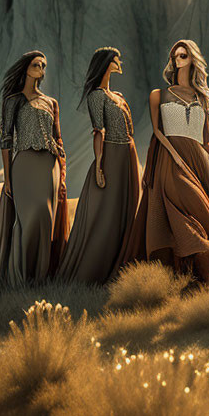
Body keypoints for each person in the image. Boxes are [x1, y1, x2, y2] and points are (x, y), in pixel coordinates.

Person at [119, 39, 209, 283]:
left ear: (192, 58)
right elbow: (158, 132)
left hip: (199, 162)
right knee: (199, 210)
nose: (177, 60)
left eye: (182, 55)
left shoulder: (202, 97)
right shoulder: (159, 95)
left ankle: (201, 272)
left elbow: (206, 141)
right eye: (174, 57)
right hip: (170, 160)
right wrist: (175, 157)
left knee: (200, 215)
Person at [0, 51, 68, 292]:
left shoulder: (51, 102)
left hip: (49, 166)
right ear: (26, 69)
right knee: (29, 220)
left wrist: (63, 173)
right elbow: (6, 140)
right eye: (35, 64)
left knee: (46, 220)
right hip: (24, 167)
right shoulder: (13, 101)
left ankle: (40, 280)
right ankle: (20, 280)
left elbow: (59, 140)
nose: (41, 68)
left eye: (43, 65)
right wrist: (7, 179)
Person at [57, 47, 141, 283]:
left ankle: (123, 266)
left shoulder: (118, 96)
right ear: (106, 63)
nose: (119, 62)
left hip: (128, 154)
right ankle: (95, 272)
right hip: (112, 154)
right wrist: (99, 165)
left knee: (128, 207)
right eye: (116, 59)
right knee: (108, 211)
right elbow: (98, 132)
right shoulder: (97, 96)